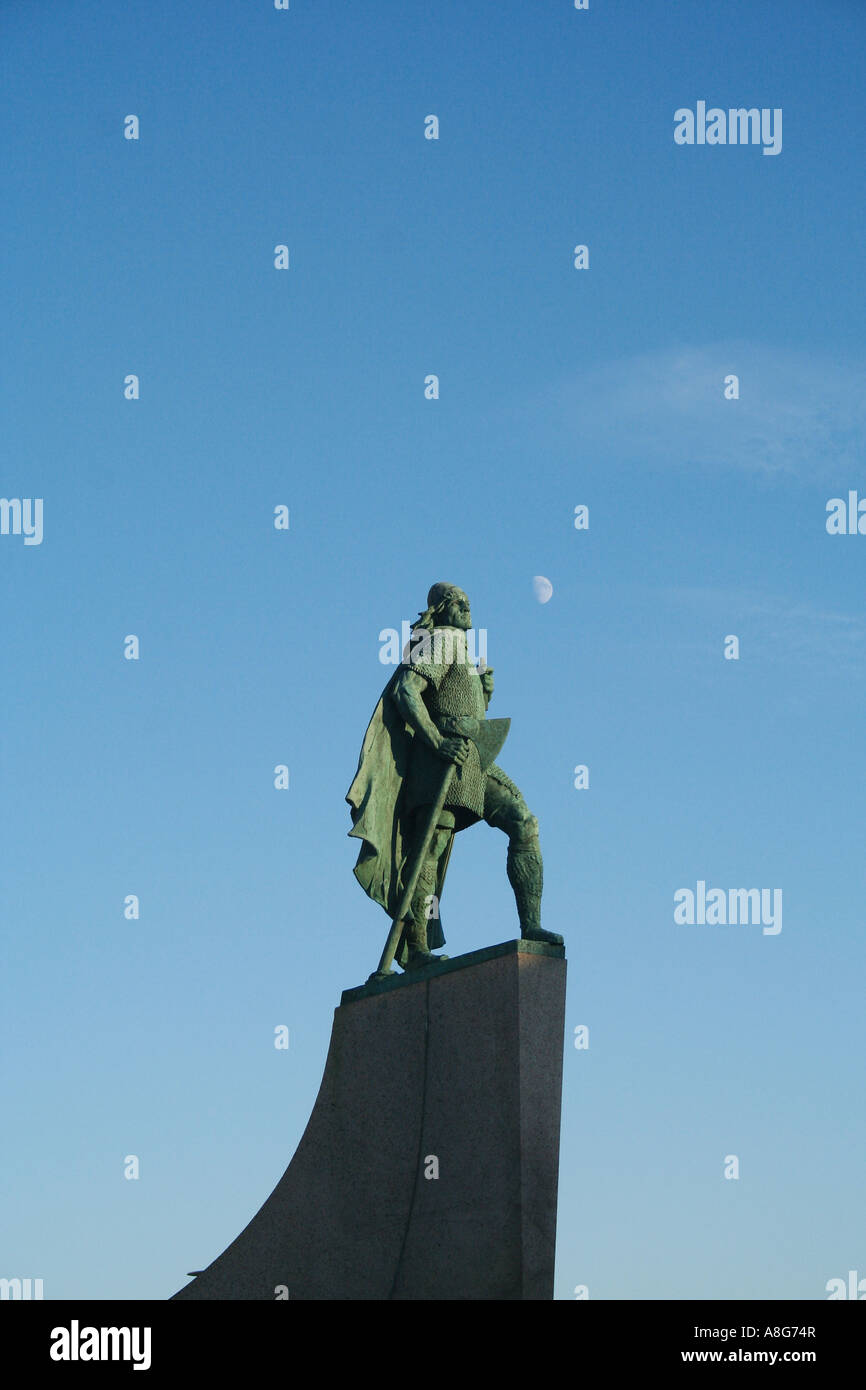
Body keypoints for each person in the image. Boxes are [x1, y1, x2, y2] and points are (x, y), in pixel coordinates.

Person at [347, 583, 563, 971]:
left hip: (474, 755)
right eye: (458, 602)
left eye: (468, 602)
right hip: (442, 759)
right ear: (441, 609)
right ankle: (417, 950)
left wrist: (485, 691)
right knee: (430, 848)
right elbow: (406, 691)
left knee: (523, 822)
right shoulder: (439, 641)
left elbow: (460, 702)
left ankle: (532, 926)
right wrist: (436, 742)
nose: (466, 607)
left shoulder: (466, 649)